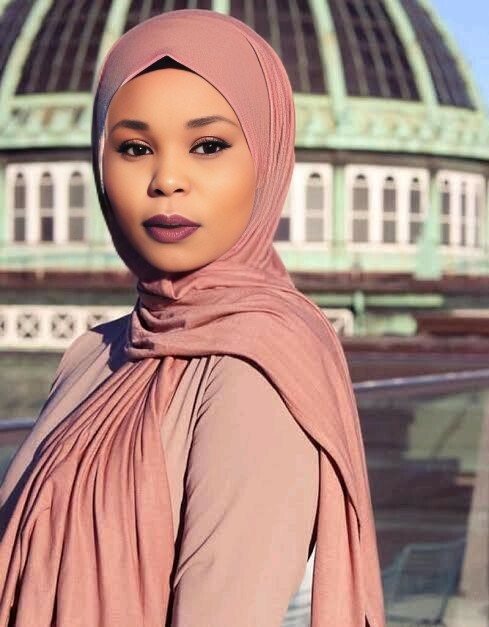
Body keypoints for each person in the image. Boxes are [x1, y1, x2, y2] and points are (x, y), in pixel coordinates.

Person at [0, 9, 384, 626]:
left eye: (208, 146)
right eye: (134, 148)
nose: (168, 180)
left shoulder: (255, 369)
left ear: (268, 159)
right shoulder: (96, 353)